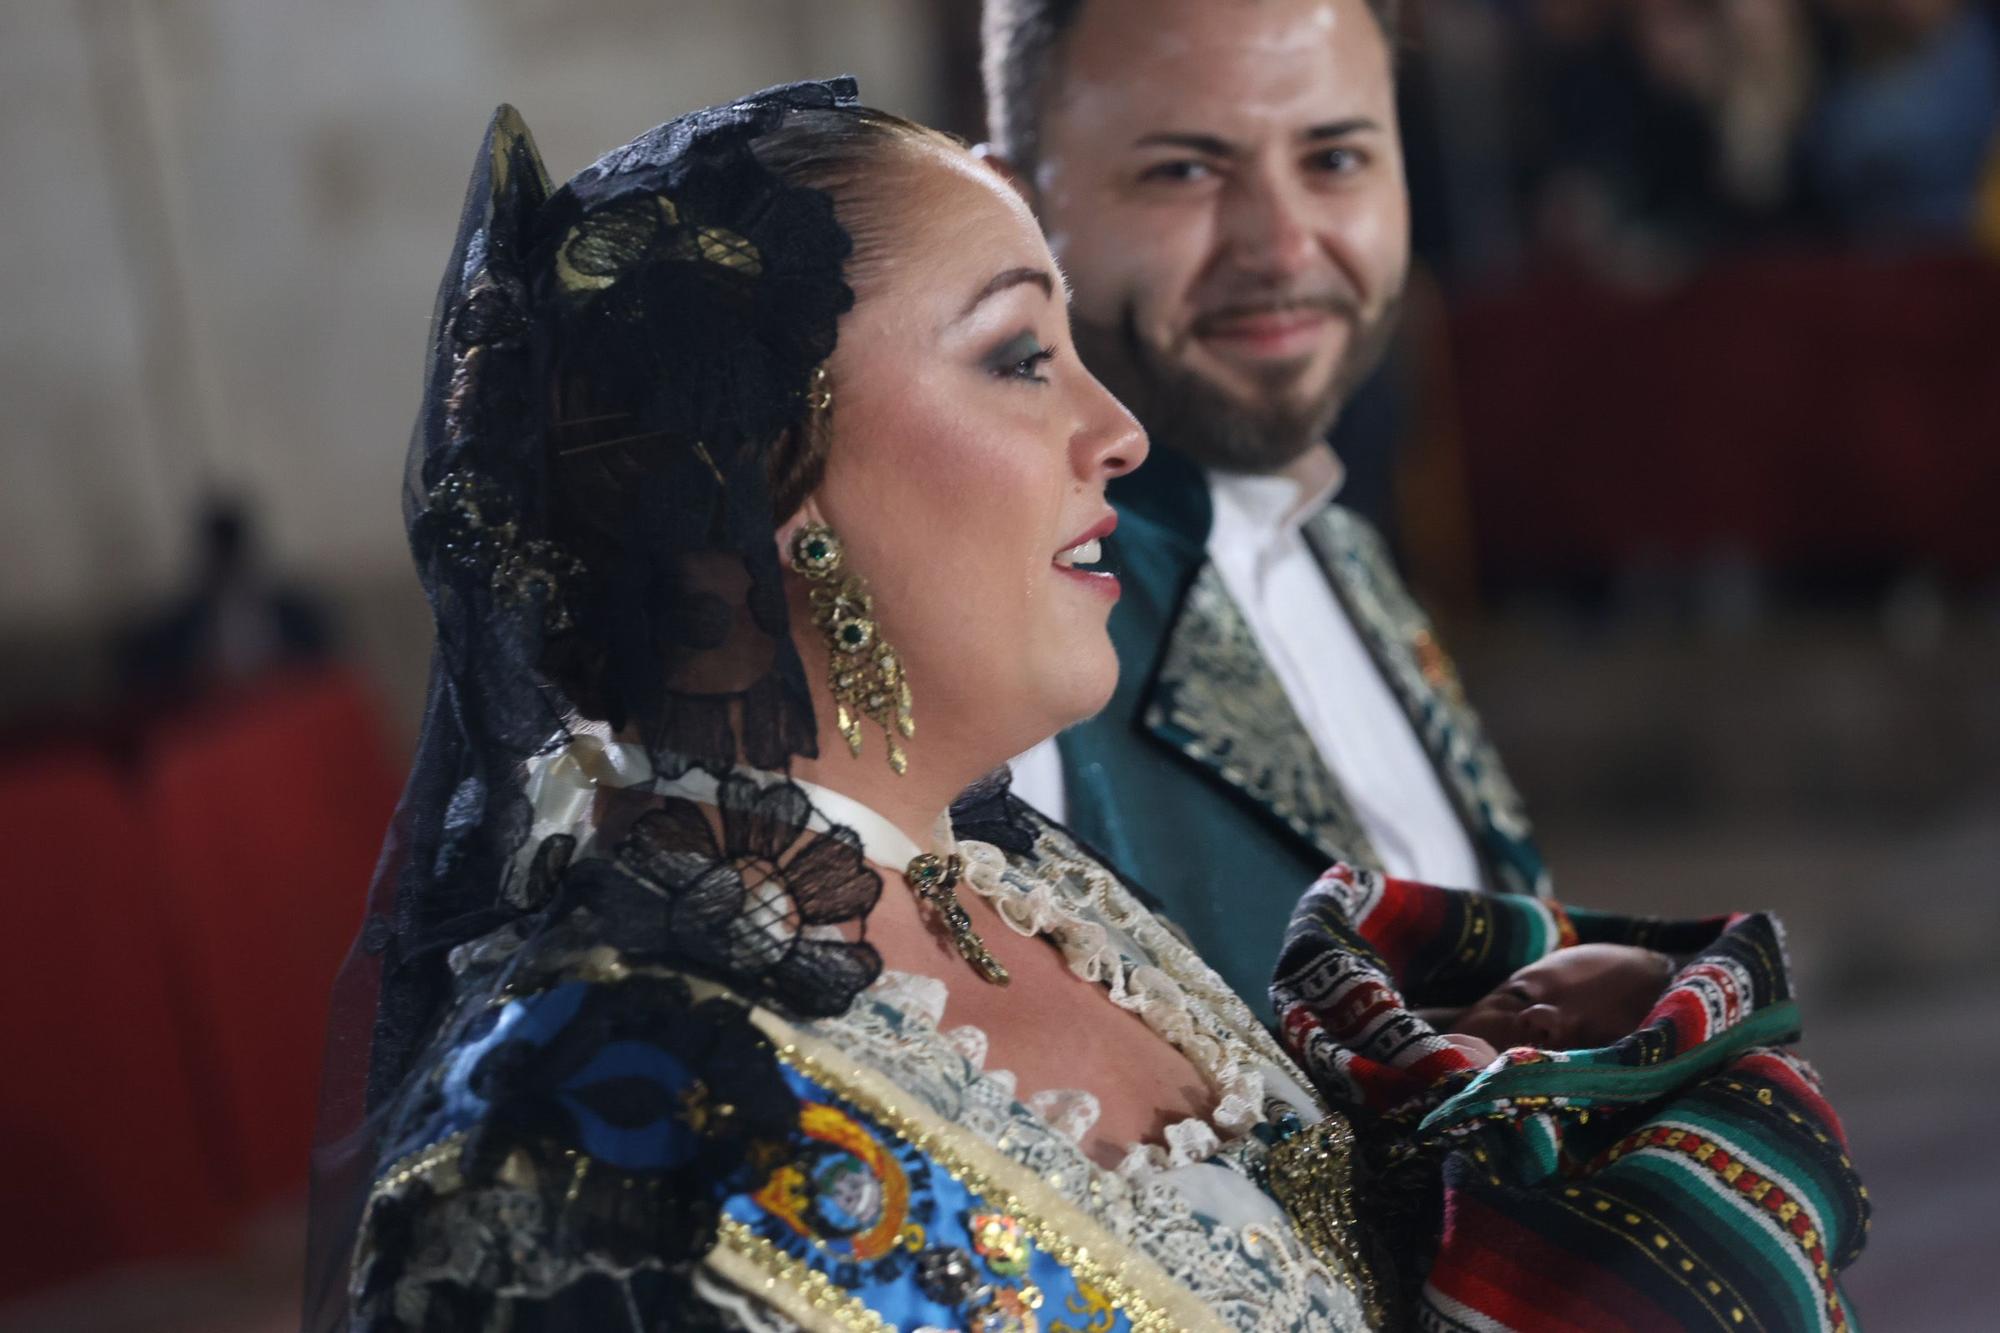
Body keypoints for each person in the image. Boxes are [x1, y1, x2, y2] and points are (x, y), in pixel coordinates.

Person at [306, 80, 1390, 1332]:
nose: (1119, 431)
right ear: (762, 465)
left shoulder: (1036, 895)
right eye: (1021, 357)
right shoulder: (584, 1129)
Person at [981, 0, 1553, 1016]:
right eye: (1184, 171)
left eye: (1334, 159)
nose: (1283, 248)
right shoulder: (989, 641)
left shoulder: (1333, 535)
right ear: (1010, 208)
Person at [1272, 864, 1870, 1327]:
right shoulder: (1341, 1045)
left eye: (1593, 1043)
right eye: (1519, 995)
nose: (1543, 1022)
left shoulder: (1616, 1145)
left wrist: (1505, 1105)